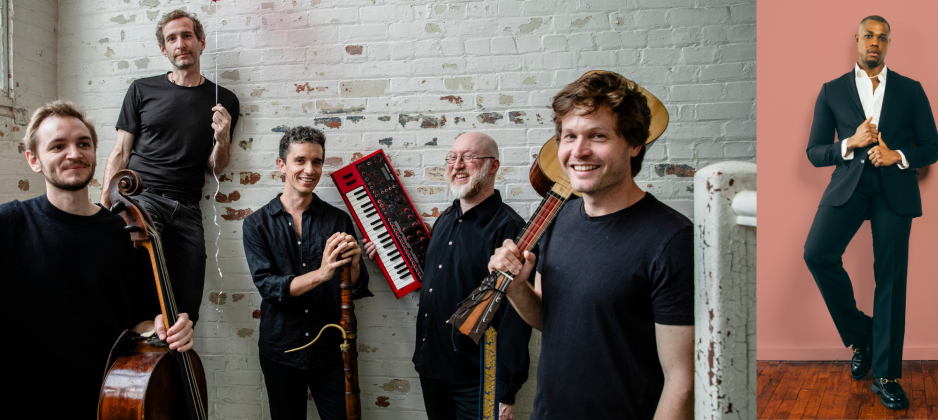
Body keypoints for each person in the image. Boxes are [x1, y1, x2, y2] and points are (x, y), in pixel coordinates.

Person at [488, 72, 695, 419]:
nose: (579, 151)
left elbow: (682, 383)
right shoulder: (558, 220)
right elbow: (550, 319)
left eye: (598, 136)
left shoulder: (671, 240)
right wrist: (517, 287)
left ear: (634, 144)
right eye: (570, 136)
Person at [1, 101, 195, 415]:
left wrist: (167, 328)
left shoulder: (128, 234)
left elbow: (143, 319)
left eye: (83, 144)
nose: (74, 154)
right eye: (58, 146)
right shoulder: (10, 224)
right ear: (33, 160)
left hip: (109, 401)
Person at [802, 16, 938, 410]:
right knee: (817, 254)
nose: (874, 43)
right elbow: (814, 152)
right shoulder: (832, 91)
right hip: (849, 186)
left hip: (893, 189)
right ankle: (863, 334)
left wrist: (899, 155)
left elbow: (932, 147)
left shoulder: (911, 91)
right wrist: (850, 142)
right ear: (857, 40)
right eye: (868, 36)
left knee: (891, 278)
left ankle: (887, 374)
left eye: (881, 37)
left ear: (888, 43)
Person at [366, 132, 533, 420]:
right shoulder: (445, 218)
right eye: (452, 157)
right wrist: (387, 251)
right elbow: (437, 283)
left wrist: (505, 392)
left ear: (493, 166)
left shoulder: (510, 229)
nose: (457, 165)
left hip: (478, 380)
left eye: (469, 157)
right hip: (432, 370)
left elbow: (516, 319)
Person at [99, 9, 241, 324]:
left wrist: (223, 138)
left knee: (187, 305)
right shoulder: (142, 89)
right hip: (142, 197)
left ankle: (173, 369)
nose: (181, 43)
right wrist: (103, 205)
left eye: (187, 35)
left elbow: (215, 169)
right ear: (164, 49)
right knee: (143, 293)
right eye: (172, 38)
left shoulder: (225, 99)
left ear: (201, 42)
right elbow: (121, 151)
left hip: (189, 208)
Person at [243, 126, 372, 419]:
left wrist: (352, 265)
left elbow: (354, 286)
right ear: (282, 165)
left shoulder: (337, 219)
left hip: (332, 351)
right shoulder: (256, 224)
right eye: (300, 160)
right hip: (281, 350)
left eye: (317, 162)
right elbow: (269, 286)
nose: (309, 170)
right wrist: (322, 273)